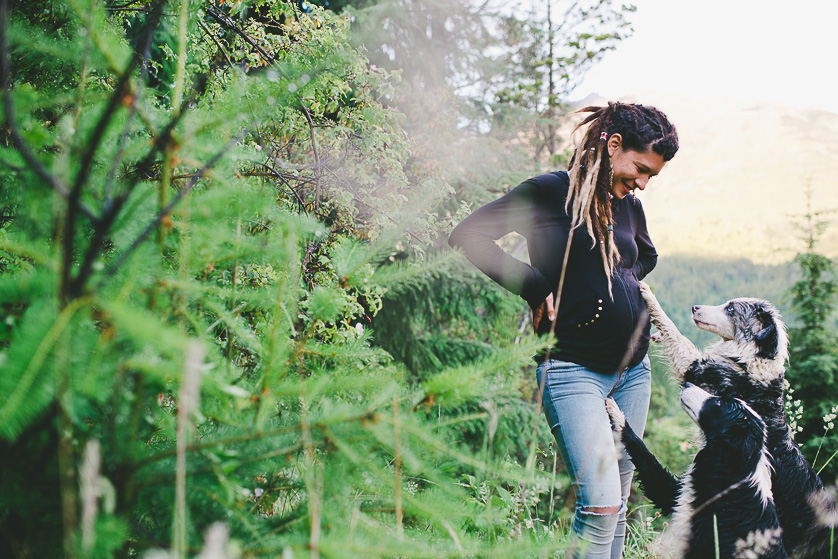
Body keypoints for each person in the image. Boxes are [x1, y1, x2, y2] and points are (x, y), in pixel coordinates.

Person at [448, 102, 678, 558]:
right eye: (639, 168)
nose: (643, 183)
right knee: (601, 507)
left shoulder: (628, 204)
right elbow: (469, 234)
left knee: (617, 507)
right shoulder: (549, 192)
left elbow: (645, 256)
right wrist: (535, 286)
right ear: (614, 146)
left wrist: (622, 285)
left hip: (633, 372)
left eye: (652, 175)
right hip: (573, 371)